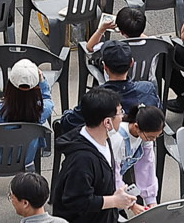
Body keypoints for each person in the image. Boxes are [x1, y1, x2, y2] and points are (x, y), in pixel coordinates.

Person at [53, 86, 137, 223]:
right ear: (107, 122)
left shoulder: (103, 138)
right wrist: (114, 201)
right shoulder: (81, 160)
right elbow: (76, 201)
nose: (122, 116)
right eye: (120, 112)